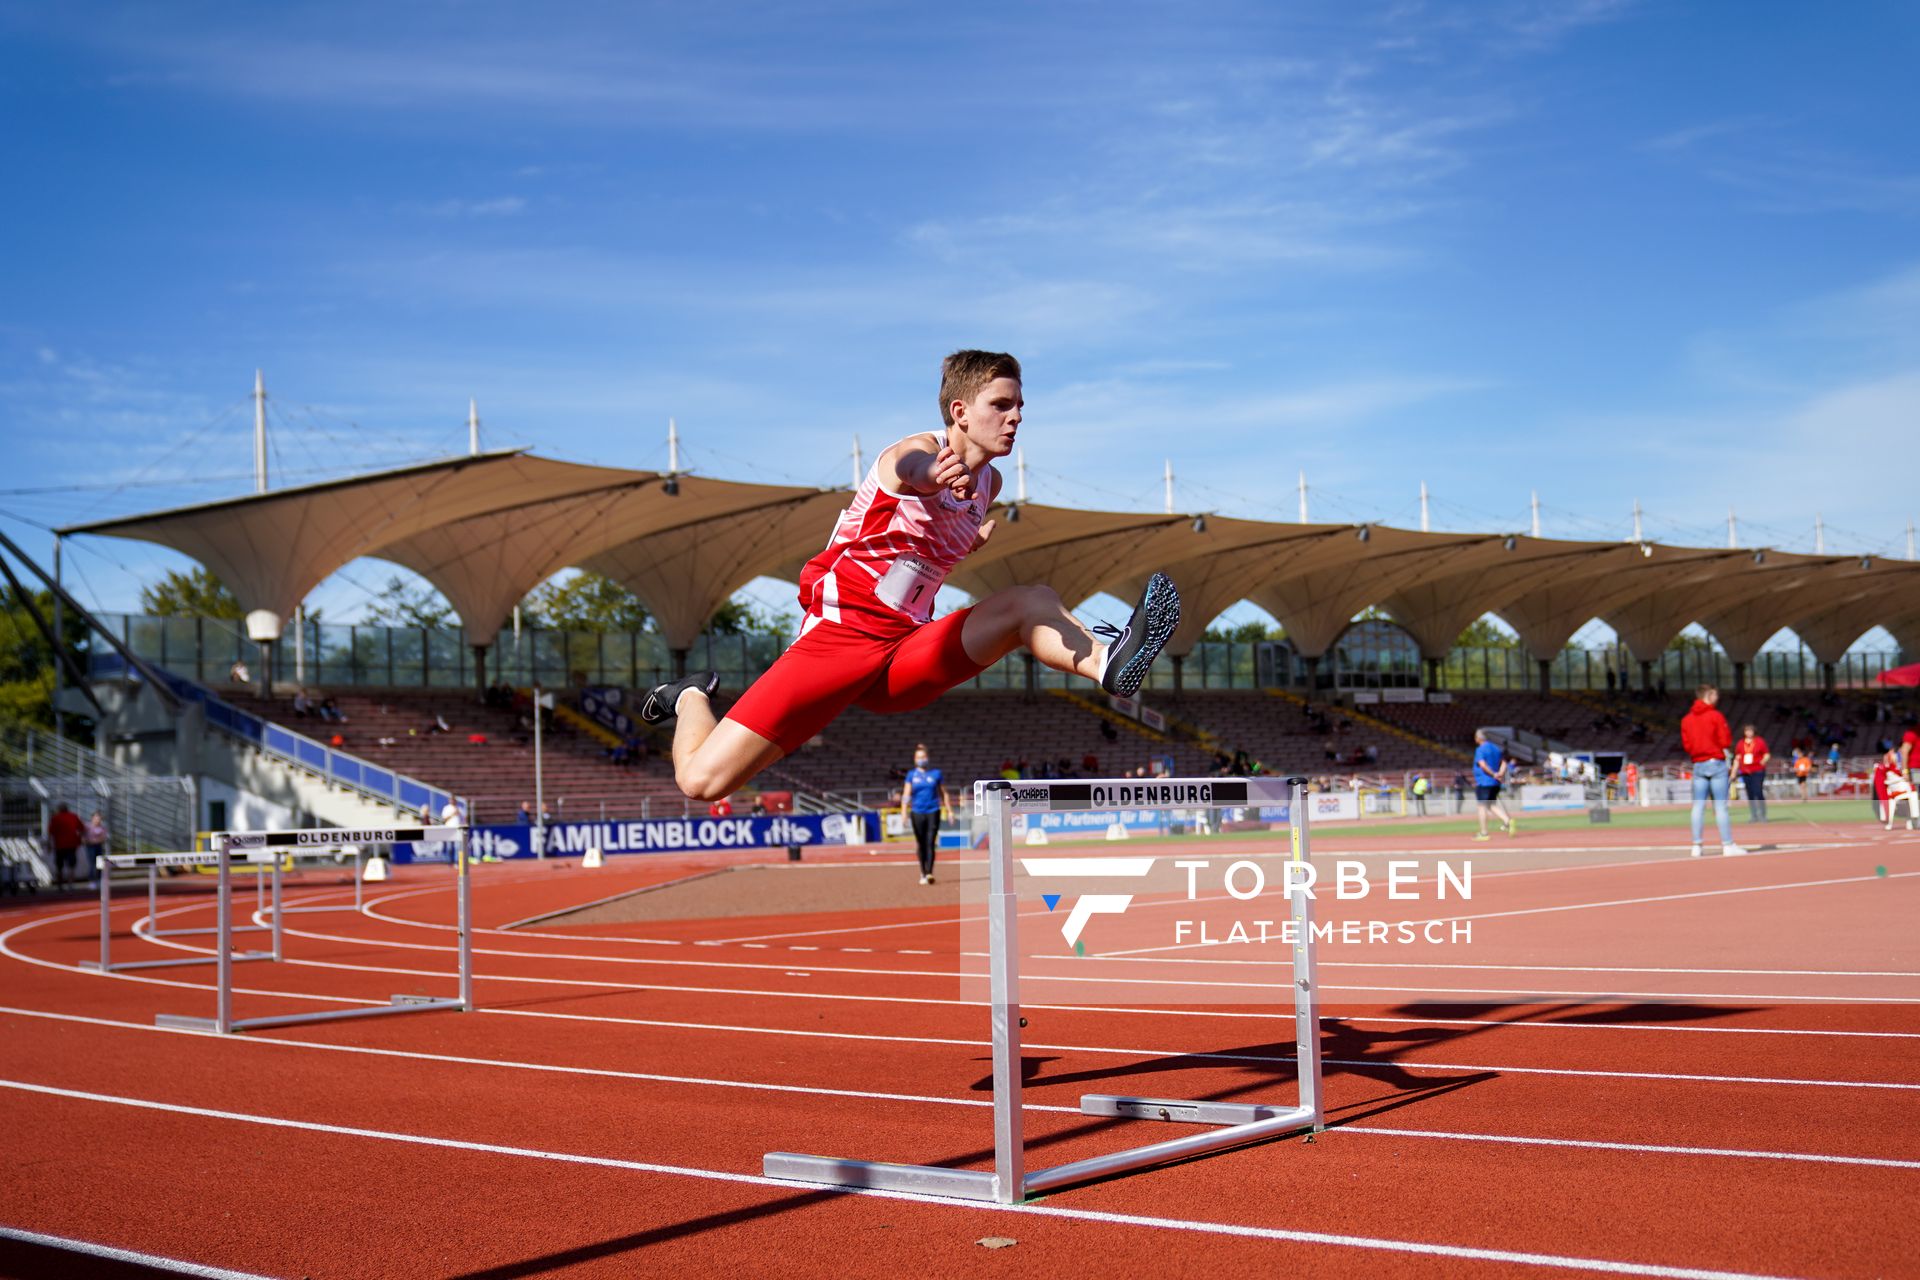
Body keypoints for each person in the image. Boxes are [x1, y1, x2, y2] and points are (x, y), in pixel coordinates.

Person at [637, 351, 1182, 800]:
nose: (1016, 417)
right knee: (701, 782)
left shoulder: (988, 486)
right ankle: (689, 695)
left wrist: (966, 542)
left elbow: (918, 557)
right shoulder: (919, 451)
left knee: (1028, 601)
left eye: (1020, 407)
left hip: (902, 652)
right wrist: (930, 475)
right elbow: (906, 470)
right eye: (1002, 405)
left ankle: (1109, 662)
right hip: (839, 639)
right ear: (960, 411)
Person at [1681, 685, 1746, 858]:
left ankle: (1696, 846)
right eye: (1715, 695)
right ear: (1708, 695)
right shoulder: (1715, 716)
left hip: (1698, 764)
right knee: (1720, 806)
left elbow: (1687, 744)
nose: (1717, 698)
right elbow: (1725, 740)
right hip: (1715, 762)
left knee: (1697, 806)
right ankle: (1727, 845)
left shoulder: (1686, 719)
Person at [900, 743, 953, 886]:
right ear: (914, 759)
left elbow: (944, 793)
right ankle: (922, 871)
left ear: (927, 758)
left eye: (923, 757)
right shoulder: (911, 775)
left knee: (930, 842)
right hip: (917, 812)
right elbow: (906, 794)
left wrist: (949, 811)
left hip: (933, 810)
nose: (921, 759)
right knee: (921, 843)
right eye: (918, 757)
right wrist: (903, 812)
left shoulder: (936, 774)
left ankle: (929, 872)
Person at [1470, 730, 1515, 841]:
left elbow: (1482, 764)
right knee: (1491, 805)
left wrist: (1494, 774)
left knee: (1482, 807)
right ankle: (1508, 821)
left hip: (1484, 782)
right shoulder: (1496, 748)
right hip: (1495, 782)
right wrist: (1500, 773)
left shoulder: (1480, 749)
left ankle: (1484, 833)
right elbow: (1504, 763)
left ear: (1478, 738)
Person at [1735, 723, 1770, 823]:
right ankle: (1754, 815)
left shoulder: (1759, 741)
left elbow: (1766, 753)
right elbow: (1738, 757)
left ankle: (1762, 815)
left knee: (1758, 792)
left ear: (1754, 731)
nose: (1749, 732)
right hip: (1745, 771)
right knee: (1750, 794)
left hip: (1758, 770)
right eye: (1747, 730)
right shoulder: (1740, 743)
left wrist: (1763, 760)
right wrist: (1734, 771)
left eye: (1751, 730)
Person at [46, 803, 84, 887]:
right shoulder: (73, 816)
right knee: (71, 865)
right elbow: (81, 829)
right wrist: (80, 840)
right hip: (71, 844)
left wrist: (49, 843)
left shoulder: (55, 818)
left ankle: (60, 884)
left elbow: (50, 832)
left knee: (59, 866)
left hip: (59, 845)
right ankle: (71, 883)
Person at [82, 810, 108, 886]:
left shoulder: (102, 827)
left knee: (99, 864)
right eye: (97, 818)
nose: (98, 820)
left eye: (99, 818)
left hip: (98, 846)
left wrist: (96, 840)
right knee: (92, 864)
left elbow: (104, 837)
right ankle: (92, 881)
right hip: (90, 847)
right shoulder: (87, 826)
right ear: (92, 818)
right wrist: (89, 841)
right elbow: (83, 837)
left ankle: (99, 880)